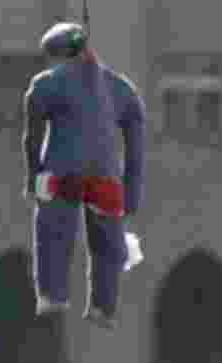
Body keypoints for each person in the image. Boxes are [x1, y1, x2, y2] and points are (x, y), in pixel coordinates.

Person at [23, 20, 145, 328]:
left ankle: (53, 295)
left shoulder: (45, 84)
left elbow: (32, 138)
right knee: (107, 246)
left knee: (52, 233)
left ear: (58, 55)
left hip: (62, 176)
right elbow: (135, 148)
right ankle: (103, 308)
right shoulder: (122, 88)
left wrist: (32, 178)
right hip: (106, 179)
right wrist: (131, 194)